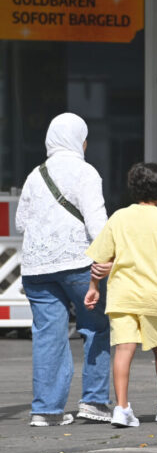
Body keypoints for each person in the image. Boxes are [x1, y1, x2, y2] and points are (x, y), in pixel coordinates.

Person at [16, 112, 112, 427]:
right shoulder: (85, 172)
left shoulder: (35, 174)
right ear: (78, 140)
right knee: (95, 327)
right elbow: (97, 222)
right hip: (79, 263)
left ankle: (46, 410)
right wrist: (109, 256)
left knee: (47, 335)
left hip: (36, 268)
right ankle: (94, 401)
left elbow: (20, 222)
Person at [84, 163, 157, 427]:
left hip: (121, 294)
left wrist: (93, 287)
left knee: (123, 349)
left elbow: (100, 260)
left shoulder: (119, 217)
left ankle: (121, 408)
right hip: (153, 295)